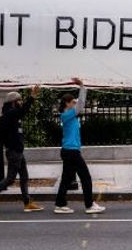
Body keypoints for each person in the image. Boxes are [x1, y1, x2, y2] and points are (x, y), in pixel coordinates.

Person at [0, 86, 44, 214]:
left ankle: (27, 203)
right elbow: (24, 110)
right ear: (13, 102)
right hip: (14, 152)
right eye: (19, 100)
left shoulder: (14, 116)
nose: (21, 102)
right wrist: (32, 97)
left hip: (18, 152)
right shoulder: (10, 114)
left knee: (24, 177)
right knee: (10, 178)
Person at [54, 78, 104, 214]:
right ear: (67, 103)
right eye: (73, 102)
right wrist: (82, 86)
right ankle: (89, 205)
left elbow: (79, 105)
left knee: (66, 179)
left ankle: (60, 204)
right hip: (71, 152)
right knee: (86, 177)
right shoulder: (67, 115)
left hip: (69, 151)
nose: (75, 104)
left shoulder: (69, 115)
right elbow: (81, 103)